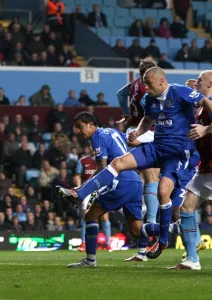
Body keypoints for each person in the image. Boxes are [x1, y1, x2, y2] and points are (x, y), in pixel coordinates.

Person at [57, 67, 212, 260]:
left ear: (161, 82)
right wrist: (138, 132)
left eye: (148, 83)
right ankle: (79, 193)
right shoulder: (151, 100)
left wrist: (206, 129)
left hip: (179, 152)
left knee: (164, 192)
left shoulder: (180, 91)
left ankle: (162, 240)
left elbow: (206, 102)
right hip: (157, 147)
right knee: (119, 162)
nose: (145, 87)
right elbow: (147, 120)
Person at [56, 112, 143, 267]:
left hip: (120, 181)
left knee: (91, 215)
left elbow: (103, 168)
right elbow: (135, 142)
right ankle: (168, 229)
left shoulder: (97, 136)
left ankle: (90, 260)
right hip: (135, 180)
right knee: (136, 230)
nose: (78, 131)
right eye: (76, 128)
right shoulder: (113, 131)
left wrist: (84, 188)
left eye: (80, 127)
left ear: (91, 124)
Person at [169, 70, 212, 270]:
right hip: (205, 168)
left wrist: (205, 130)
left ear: (210, 84)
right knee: (186, 208)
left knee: (186, 208)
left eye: (200, 82)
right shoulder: (202, 107)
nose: (196, 84)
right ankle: (192, 260)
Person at [116, 57, 160, 229]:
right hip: (145, 132)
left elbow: (120, 94)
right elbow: (149, 108)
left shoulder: (135, 82)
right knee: (152, 177)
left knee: (137, 176)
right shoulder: (147, 88)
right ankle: (151, 221)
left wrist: (127, 114)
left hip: (133, 130)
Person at [74, 146, 112, 252]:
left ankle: (108, 243)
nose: (93, 148)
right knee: (85, 215)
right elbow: (77, 175)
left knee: (104, 217)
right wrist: (78, 187)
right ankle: (83, 243)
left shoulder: (105, 160)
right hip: (88, 191)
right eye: (91, 146)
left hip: (102, 190)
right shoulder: (83, 161)